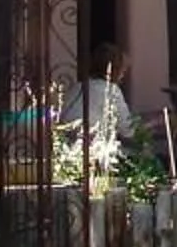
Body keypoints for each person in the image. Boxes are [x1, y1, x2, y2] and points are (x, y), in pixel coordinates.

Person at [58, 40, 137, 168]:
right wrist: (152, 126)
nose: (123, 75)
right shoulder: (111, 90)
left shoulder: (77, 87)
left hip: (66, 154)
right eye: (123, 70)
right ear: (115, 69)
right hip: (94, 156)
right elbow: (128, 130)